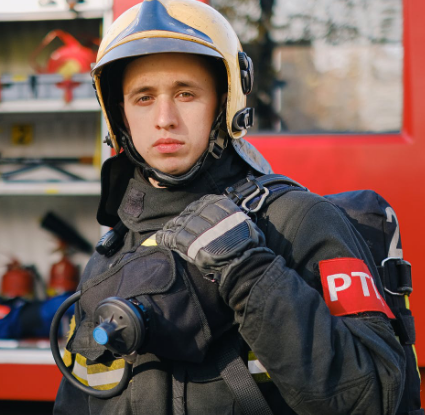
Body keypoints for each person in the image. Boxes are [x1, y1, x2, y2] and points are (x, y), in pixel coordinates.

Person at [53, 0, 406, 414]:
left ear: (225, 103)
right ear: (120, 114)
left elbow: (373, 399)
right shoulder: (108, 261)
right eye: (143, 98)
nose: (164, 118)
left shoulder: (298, 224)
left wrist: (251, 273)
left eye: (186, 93)